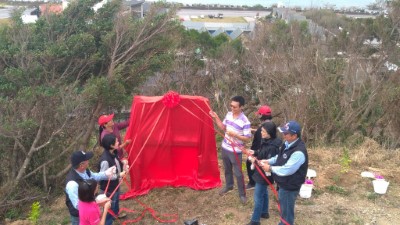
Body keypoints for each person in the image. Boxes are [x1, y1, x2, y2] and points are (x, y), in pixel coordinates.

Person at [260, 121, 308, 225]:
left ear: (294, 135)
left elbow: (287, 169)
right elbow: (280, 157)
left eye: (286, 133)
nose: (283, 135)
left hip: (289, 187)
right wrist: (268, 161)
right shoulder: (288, 144)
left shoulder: (298, 152)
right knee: (284, 211)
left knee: (286, 215)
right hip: (283, 184)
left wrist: (270, 168)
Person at [210, 96, 252, 204]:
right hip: (225, 147)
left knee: (238, 173)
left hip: (236, 151)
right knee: (227, 169)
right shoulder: (228, 115)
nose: (232, 108)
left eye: (235, 107)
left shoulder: (245, 121)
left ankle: (242, 194)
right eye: (231, 106)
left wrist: (236, 135)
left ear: (241, 107)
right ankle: (229, 185)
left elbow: (247, 138)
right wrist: (216, 117)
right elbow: (223, 128)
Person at [65, 150, 116, 225]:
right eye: (87, 160)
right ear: (81, 165)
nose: (88, 162)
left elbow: (95, 176)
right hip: (79, 216)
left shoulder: (85, 171)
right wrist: (98, 203)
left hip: (90, 206)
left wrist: (106, 173)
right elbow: (77, 205)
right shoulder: (72, 184)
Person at [247, 121, 281, 225]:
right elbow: (262, 153)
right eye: (261, 130)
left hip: (265, 173)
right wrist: (255, 153)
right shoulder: (266, 140)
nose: (261, 132)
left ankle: (255, 220)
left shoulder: (273, 146)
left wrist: (254, 160)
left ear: (270, 133)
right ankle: (264, 212)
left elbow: (268, 162)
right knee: (264, 192)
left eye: (263, 131)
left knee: (258, 196)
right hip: (261, 172)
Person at [98, 133, 128, 225]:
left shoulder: (113, 152)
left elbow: (116, 162)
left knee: (115, 202)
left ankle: (115, 215)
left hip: (115, 185)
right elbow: (104, 176)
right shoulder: (105, 160)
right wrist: (119, 175)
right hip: (108, 190)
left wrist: (122, 162)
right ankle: (108, 222)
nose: (118, 142)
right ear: (111, 145)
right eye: (116, 141)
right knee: (108, 207)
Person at [246, 105, 273, 190]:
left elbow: (259, 141)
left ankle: (252, 183)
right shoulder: (271, 125)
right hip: (268, 151)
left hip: (259, 150)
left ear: (261, 115)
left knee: (249, 162)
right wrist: (254, 130)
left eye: (259, 114)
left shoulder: (262, 128)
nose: (258, 116)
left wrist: (253, 152)